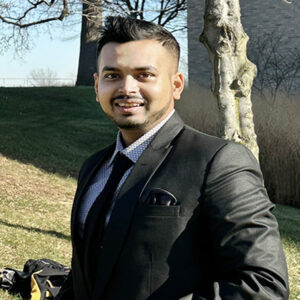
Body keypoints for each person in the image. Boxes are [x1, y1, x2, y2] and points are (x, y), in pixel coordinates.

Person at [56, 16, 289, 300]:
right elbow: (84, 278)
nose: (127, 88)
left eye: (144, 75)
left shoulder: (218, 162)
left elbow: (263, 286)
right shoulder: (94, 168)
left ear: (177, 85)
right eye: (112, 75)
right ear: (96, 86)